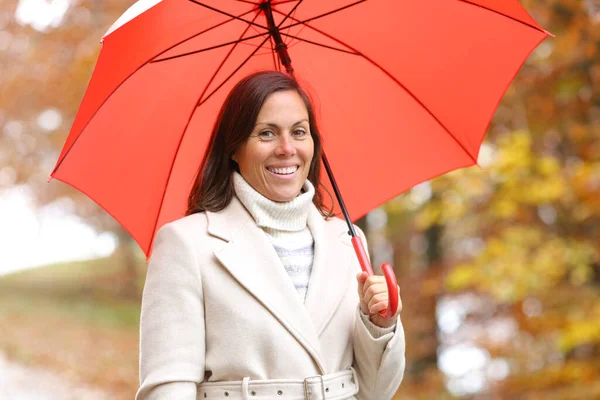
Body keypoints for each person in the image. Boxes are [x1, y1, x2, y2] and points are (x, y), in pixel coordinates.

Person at [136, 71, 405, 400]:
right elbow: (168, 387)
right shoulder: (187, 244)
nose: (287, 148)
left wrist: (379, 325)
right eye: (266, 133)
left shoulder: (347, 239)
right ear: (234, 148)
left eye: (299, 132)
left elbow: (376, 392)